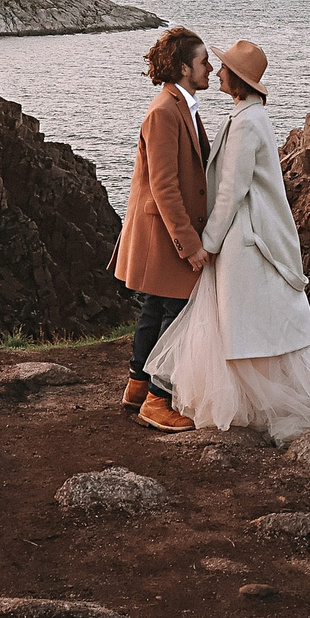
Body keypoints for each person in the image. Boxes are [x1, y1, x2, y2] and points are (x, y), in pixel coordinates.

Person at [146, 39, 310, 441]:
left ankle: (249, 402)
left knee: (248, 326)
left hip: (244, 240)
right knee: (248, 326)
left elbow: (231, 191)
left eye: (223, 68)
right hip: (242, 237)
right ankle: (246, 400)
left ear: (237, 80)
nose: (217, 72)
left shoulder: (246, 123)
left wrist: (206, 242)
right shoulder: (246, 116)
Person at [112, 25, 211, 432]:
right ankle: (158, 399)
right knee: (177, 313)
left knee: (154, 308)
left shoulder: (181, 106)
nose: (211, 68)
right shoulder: (164, 112)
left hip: (162, 233)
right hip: (165, 236)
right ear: (185, 68)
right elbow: (165, 186)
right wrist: (190, 245)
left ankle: (137, 385)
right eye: (204, 61)